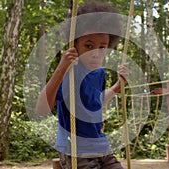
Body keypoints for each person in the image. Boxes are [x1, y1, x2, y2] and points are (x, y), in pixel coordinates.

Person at [36, 0, 129, 168]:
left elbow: (96, 103)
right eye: (88, 45)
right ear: (75, 44)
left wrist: (117, 86)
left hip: (100, 146)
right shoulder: (69, 72)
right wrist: (62, 68)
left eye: (102, 47)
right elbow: (42, 109)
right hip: (75, 150)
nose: (95, 53)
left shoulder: (99, 73)